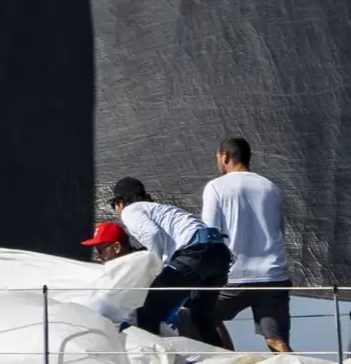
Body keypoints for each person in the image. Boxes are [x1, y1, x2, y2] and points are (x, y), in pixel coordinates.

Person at [109, 177, 233, 346]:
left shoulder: (130, 210)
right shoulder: (160, 209)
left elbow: (151, 233)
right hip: (219, 253)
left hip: (196, 251)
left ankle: (151, 358)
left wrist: (153, 267)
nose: (116, 211)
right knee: (201, 315)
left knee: (149, 310)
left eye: (114, 206)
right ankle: (221, 357)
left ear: (120, 202)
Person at [202, 137, 291, 352]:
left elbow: (209, 234)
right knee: (276, 341)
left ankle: (227, 362)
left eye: (217, 157)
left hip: (234, 278)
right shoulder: (270, 187)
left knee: (198, 314)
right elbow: (280, 230)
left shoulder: (216, 187)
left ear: (225, 156)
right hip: (273, 277)